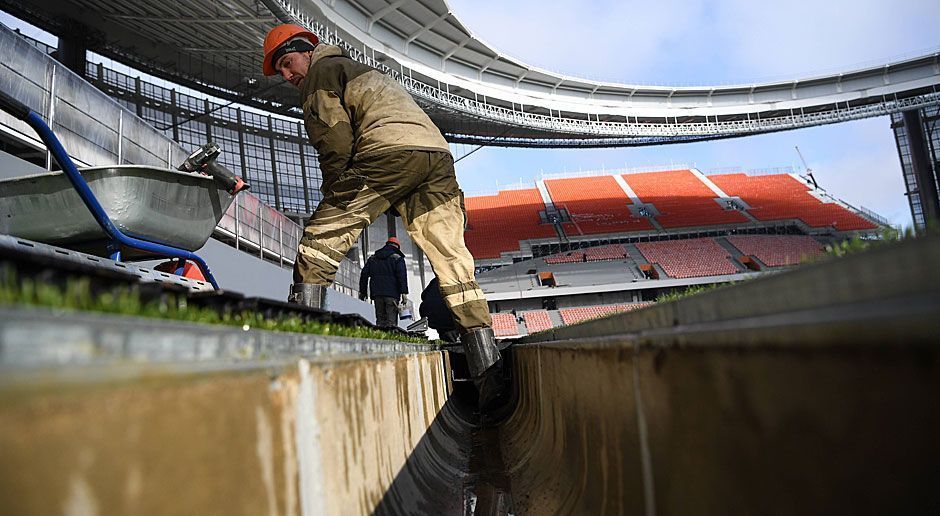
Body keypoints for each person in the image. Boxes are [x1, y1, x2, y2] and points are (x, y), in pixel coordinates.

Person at [261, 24, 501, 393]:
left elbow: (335, 142)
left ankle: (302, 349)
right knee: (453, 260)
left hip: (388, 152)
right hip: (435, 155)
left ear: (307, 51)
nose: (288, 75)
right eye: (281, 71)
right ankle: (490, 374)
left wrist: (336, 198)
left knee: (319, 242)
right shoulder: (355, 68)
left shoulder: (321, 75)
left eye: (288, 63)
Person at [359, 237, 408, 328]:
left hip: (377, 294)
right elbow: (402, 276)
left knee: (380, 320)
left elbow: (364, 275)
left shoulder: (373, 258)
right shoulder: (398, 259)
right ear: (397, 247)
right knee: (391, 322)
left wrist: (363, 292)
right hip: (392, 295)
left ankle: (381, 339)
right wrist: (404, 293)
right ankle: (391, 340)